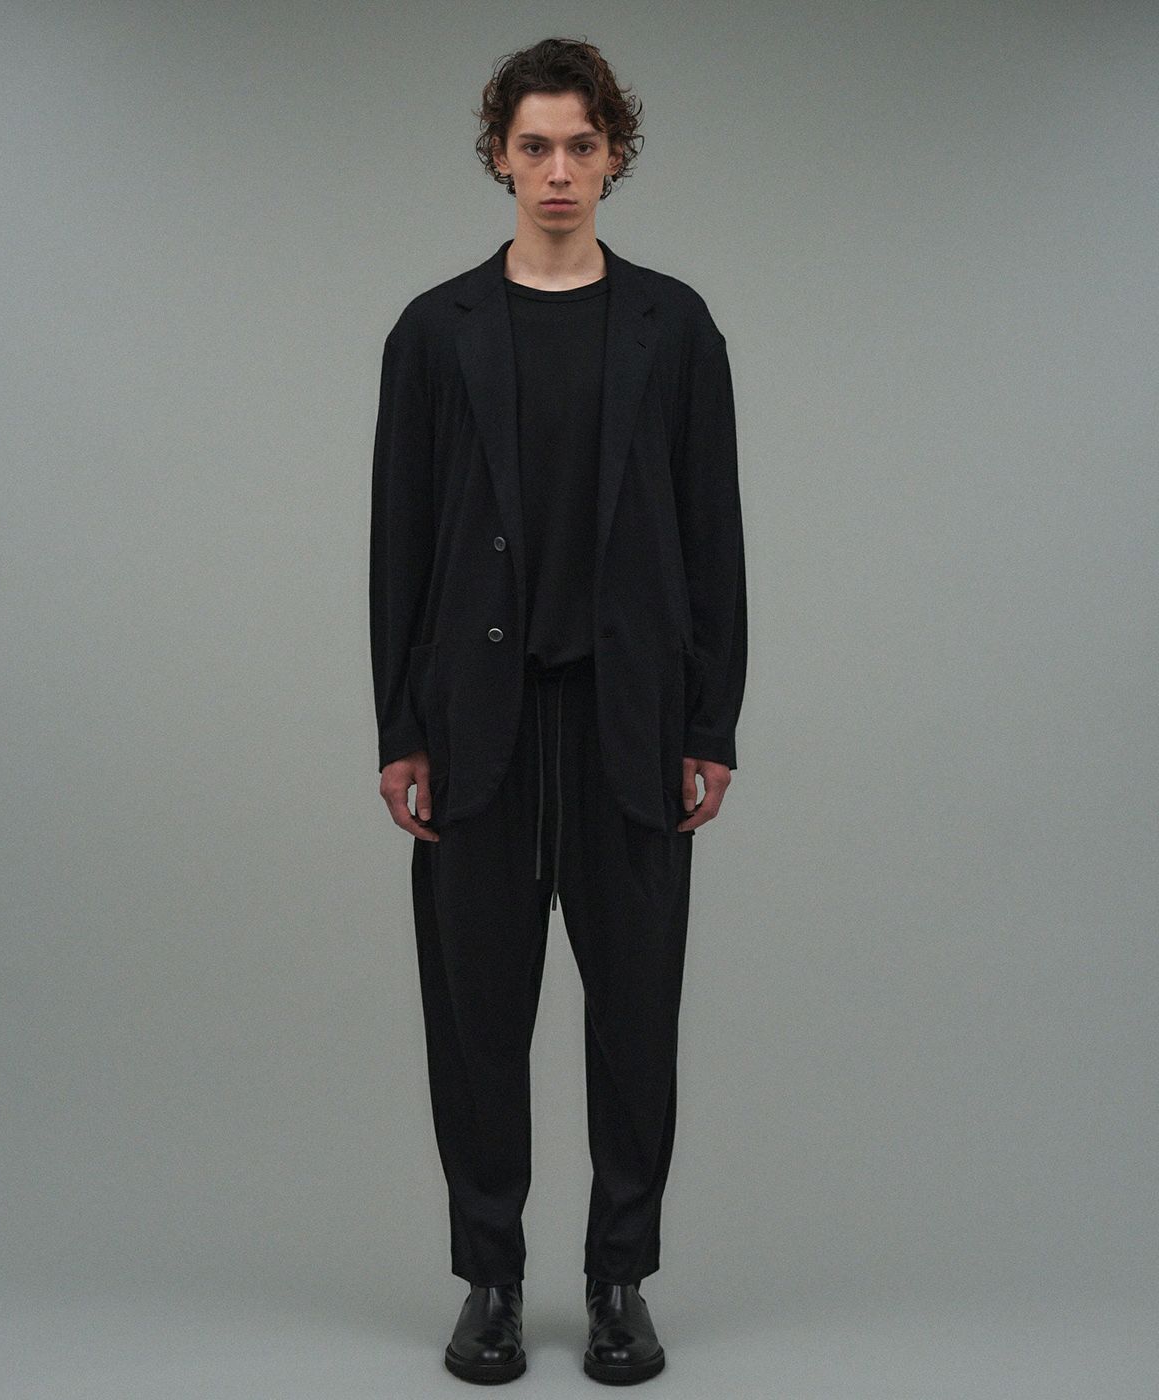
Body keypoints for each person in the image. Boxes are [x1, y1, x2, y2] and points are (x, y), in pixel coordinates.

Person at [369, 36, 747, 1385]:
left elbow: (714, 535)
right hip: (478, 725)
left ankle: (619, 1280)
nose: (558, 170)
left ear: (615, 155)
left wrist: (712, 723)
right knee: (476, 1016)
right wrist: (398, 730)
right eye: (534, 146)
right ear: (498, 157)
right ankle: (491, 1277)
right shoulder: (434, 332)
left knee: (635, 1016)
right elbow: (398, 543)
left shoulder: (674, 328)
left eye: (582, 145)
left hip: (627, 724)